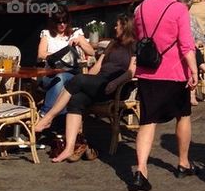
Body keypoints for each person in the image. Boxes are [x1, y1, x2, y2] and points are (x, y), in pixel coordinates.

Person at [130, 0, 197, 191]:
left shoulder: (141, 7)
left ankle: (141, 169)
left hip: (147, 71)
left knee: (147, 121)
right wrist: (194, 70)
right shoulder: (178, 8)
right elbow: (186, 44)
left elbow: (139, 37)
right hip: (173, 71)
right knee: (183, 115)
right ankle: (183, 162)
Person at [34, 16, 136, 160]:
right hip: (100, 83)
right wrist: (87, 79)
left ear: (125, 27)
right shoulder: (112, 43)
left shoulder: (133, 46)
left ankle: (48, 117)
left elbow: (131, 72)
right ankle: (69, 148)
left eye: (117, 25)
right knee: (76, 99)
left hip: (116, 86)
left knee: (78, 79)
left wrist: (114, 83)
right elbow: (97, 67)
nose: (114, 27)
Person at [36, 15, 96, 117]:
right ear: (54, 22)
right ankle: (59, 117)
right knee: (60, 79)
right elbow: (41, 54)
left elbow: (92, 52)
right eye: (59, 22)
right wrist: (58, 56)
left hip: (71, 74)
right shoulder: (47, 34)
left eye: (65, 22)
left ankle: (45, 113)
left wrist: (80, 42)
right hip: (51, 73)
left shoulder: (75, 34)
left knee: (62, 78)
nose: (62, 25)